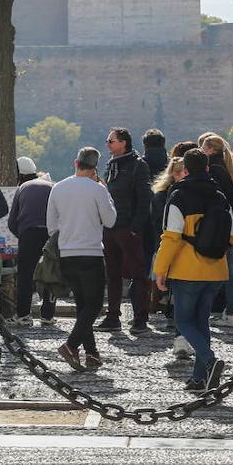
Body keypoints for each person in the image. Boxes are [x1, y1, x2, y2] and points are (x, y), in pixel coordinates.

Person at [153, 148, 233, 392]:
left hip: (187, 270)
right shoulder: (220, 196)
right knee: (202, 322)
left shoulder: (178, 196)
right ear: (208, 168)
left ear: (186, 170)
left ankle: (209, 360)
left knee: (183, 321)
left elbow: (171, 237)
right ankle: (199, 378)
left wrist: (160, 269)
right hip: (216, 270)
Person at [46, 147, 117, 372]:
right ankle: (71, 345)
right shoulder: (98, 190)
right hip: (91, 252)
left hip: (66, 253)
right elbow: (110, 220)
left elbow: (51, 226)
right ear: (95, 168)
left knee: (83, 305)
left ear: (76, 163)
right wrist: (106, 193)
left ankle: (92, 353)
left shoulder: (58, 188)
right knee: (93, 305)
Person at [97, 128, 153, 335]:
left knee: (137, 274)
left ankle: (140, 318)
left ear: (123, 143)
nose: (108, 144)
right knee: (112, 274)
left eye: (111, 141)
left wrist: (136, 228)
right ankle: (113, 316)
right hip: (110, 226)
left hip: (128, 227)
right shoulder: (111, 165)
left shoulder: (138, 165)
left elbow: (144, 198)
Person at [199, 132, 233, 326]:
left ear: (211, 150)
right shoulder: (224, 166)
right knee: (226, 269)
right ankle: (228, 310)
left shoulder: (214, 169)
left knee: (225, 270)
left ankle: (231, 311)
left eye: (203, 147)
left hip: (219, 224)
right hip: (227, 223)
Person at [7, 157, 56, 327]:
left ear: (19, 175)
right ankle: (48, 315)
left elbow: (12, 222)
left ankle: (23, 315)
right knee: (50, 273)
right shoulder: (52, 186)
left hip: (28, 233)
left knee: (25, 275)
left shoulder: (22, 188)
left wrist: (22, 236)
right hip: (50, 234)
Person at [150, 157, 189, 356]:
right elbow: (158, 223)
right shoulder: (162, 196)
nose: (181, 175)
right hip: (168, 241)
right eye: (178, 171)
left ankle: (176, 320)